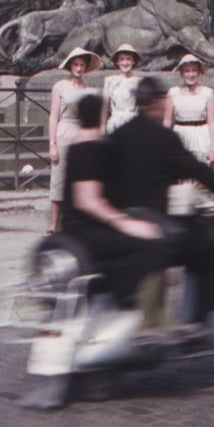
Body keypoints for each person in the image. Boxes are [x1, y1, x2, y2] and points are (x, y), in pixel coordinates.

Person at [107, 76, 214, 328]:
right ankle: (199, 321)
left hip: (120, 224)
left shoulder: (119, 135)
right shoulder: (163, 138)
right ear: (157, 103)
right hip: (153, 225)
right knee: (209, 248)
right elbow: (200, 172)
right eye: (163, 100)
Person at [53, 93, 170, 326]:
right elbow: (88, 200)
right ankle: (132, 310)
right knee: (152, 246)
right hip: (85, 231)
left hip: (72, 228)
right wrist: (124, 222)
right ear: (100, 115)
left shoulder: (78, 143)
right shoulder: (91, 147)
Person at [48, 47, 100, 232]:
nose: (78, 68)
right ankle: (54, 224)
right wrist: (52, 144)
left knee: (81, 178)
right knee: (59, 179)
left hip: (81, 132)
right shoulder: (60, 86)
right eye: (76, 64)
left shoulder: (89, 90)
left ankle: (77, 222)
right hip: (64, 131)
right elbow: (53, 116)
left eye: (82, 65)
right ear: (70, 66)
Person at [164, 53, 214, 164]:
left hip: (201, 135)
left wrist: (213, 147)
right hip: (180, 135)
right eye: (187, 71)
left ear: (198, 72)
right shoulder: (173, 93)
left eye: (194, 71)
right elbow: (167, 121)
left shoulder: (207, 93)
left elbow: (212, 123)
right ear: (182, 73)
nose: (191, 74)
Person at [101, 43, 142, 133]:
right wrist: (102, 130)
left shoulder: (139, 81)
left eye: (128, 59)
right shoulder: (109, 81)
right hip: (115, 122)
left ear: (133, 61)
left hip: (133, 123)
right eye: (122, 59)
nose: (125, 63)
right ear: (117, 62)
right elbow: (104, 108)